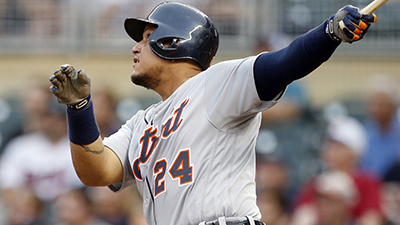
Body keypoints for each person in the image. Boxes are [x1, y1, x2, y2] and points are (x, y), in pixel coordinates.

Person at [48, 2, 377, 225]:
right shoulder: (140, 122)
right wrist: (80, 110)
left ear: (173, 40)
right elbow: (96, 171)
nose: (135, 47)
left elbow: (284, 63)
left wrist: (329, 33)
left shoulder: (217, 84)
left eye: (147, 38)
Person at [291, 116, 384, 225]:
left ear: (353, 152)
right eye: (329, 145)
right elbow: (301, 218)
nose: (330, 150)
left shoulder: (367, 182)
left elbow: (372, 220)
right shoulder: (314, 184)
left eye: (338, 146)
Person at [359, 74, 400, 179]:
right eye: (372, 104)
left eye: (381, 105)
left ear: (393, 106)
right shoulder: (364, 134)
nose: (375, 110)